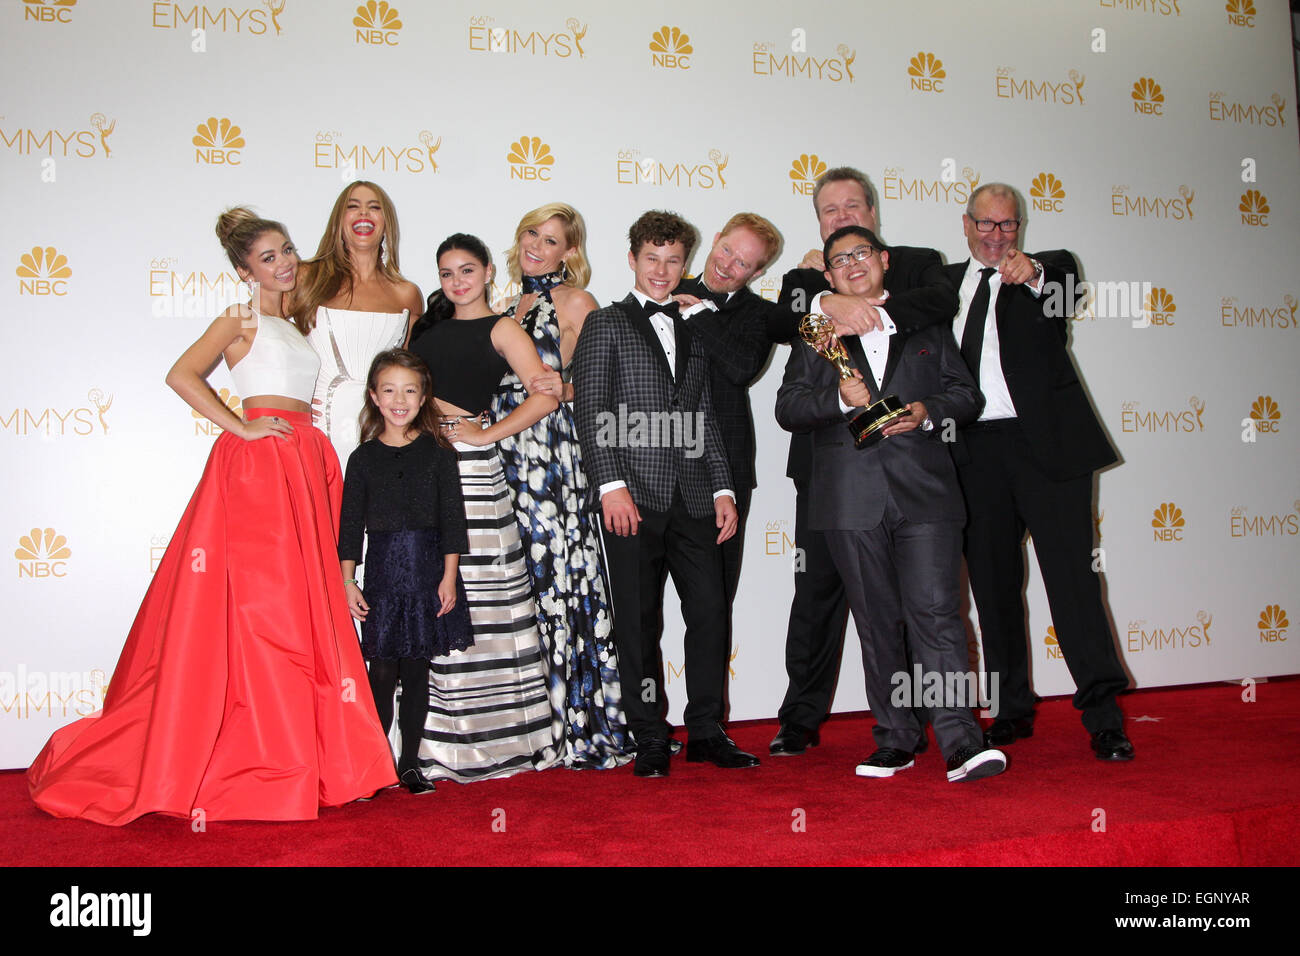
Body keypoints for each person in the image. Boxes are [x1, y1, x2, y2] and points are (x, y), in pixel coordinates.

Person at [27, 208, 397, 825]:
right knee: (264, 610)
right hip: (259, 468)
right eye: (267, 258)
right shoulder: (239, 318)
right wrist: (242, 427)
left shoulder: (295, 320)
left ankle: (308, 760)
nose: (283, 265)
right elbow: (181, 374)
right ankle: (268, 764)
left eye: (285, 252)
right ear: (242, 270)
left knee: (304, 609)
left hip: (303, 461)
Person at [776, 225, 1005, 782]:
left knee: (938, 616)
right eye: (839, 259)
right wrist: (836, 397)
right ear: (828, 275)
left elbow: (966, 394)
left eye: (862, 254)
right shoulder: (816, 332)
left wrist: (926, 410)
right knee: (876, 622)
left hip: (926, 492)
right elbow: (789, 408)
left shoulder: (927, 323)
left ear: (883, 261)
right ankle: (896, 737)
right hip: (849, 499)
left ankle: (960, 740)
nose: (852, 264)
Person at [769, 166, 958, 757]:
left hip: (913, 472)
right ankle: (803, 719)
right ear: (818, 223)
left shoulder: (918, 263)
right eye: (830, 210)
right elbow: (786, 321)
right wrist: (828, 299)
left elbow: (943, 299)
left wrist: (869, 305)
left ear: (874, 218)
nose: (842, 214)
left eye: (853, 206)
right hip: (834, 476)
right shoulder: (809, 291)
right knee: (822, 598)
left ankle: (949, 728)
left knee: (931, 606)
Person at [947, 183, 1133, 760]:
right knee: (993, 587)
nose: (997, 235)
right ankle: (1011, 709)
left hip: (1047, 450)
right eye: (986, 224)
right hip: (974, 451)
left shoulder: (1049, 273)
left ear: (1020, 226)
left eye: (1008, 225)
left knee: (1072, 584)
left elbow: (1066, 293)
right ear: (966, 223)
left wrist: (1031, 276)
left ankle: (1103, 715)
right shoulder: (939, 282)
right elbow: (867, 262)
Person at [571, 209, 754, 779]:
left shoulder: (696, 322)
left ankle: (706, 729)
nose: (662, 270)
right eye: (652, 258)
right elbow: (592, 408)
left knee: (709, 613)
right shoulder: (606, 322)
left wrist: (724, 486)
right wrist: (611, 486)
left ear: (685, 264)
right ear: (632, 259)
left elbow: (702, 413)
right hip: (633, 498)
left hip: (697, 496)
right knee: (638, 620)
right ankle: (648, 734)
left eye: (674, 260)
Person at [408, 234, 565, 781]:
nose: (457, 282)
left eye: (467, 270)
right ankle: (435, 739)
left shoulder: (503, 327)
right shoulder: (425, 329)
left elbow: (545, 391)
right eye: (447, 273)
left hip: (474, 469)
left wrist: (487, 434)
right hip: (425, 465)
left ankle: (497, 739)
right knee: (437, 587)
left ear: (488, 271)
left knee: (483, 593)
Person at [494, 203, 630, 769]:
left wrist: (567, 392)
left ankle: (577, 721)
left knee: (561, 579)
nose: (537, 246)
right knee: (516, 580)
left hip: (551, 457)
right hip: (500, 454)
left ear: (569, 252)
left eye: (552, 240)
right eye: (531, 233)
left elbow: (612, 382)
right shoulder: (501, 306)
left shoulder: (578, 303)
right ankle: (522, 725)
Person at [339, 349, 474, 795]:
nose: (400, 399)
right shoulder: (361, 459)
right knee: (381, 673)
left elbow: (454, 521)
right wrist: (347, 580)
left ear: (423, 397)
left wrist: (449, 577)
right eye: (390, 390)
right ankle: (375, 765)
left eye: (410, 390)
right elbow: (349, 525)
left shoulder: (438, 454)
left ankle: (410, 764)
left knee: (417, 671)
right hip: (380, 577)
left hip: (426, 574)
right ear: (375, 397)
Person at [671, 213, 782, 612]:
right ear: (715, 238)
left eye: (742, 263)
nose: (726, 264)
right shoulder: (664, 288)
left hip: (725, 473)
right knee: (641, 604)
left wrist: (699, 313)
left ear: (758, 272)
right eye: (727, 250)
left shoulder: (759, 314)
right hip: (653, 466)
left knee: (714, 606)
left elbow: (741, 368)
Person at [293, 181, 424, 467]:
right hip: (316, 431)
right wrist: (286, 405)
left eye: (374, 207)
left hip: (382, 433)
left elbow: (409, 374)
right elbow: (270, 343)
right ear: (338, 220)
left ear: (386, 223)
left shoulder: (407, 293)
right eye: (353, 206)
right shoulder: (305, 278)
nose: (363, 214)